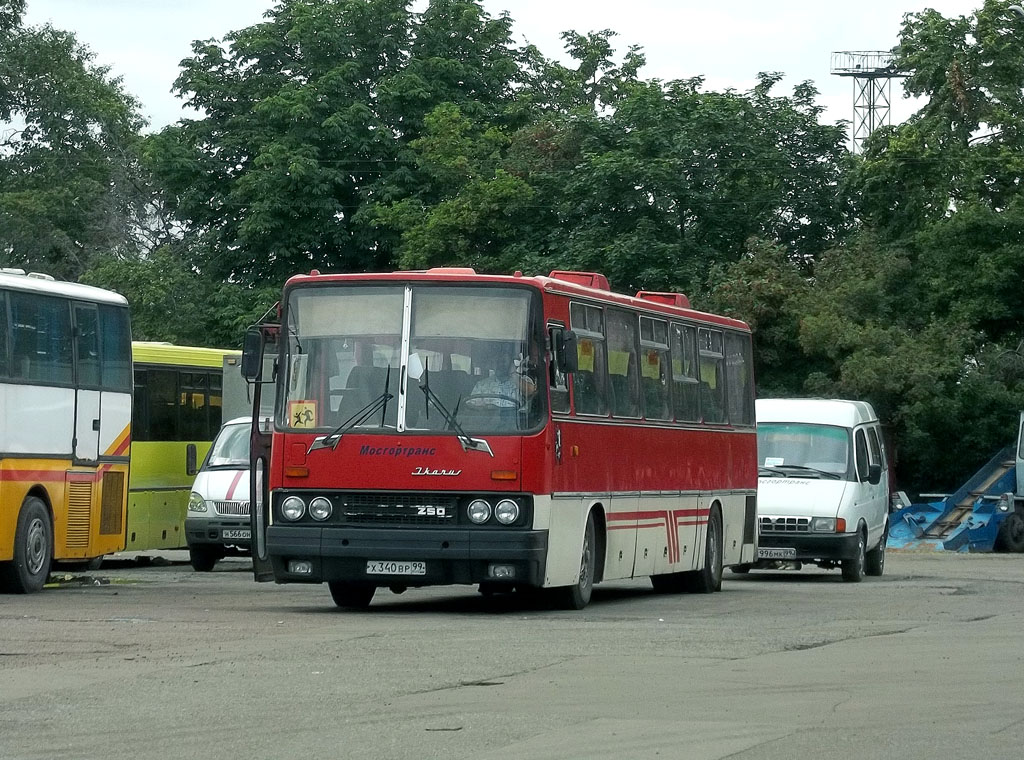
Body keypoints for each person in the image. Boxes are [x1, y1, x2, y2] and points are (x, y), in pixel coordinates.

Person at [466, 343, 537, 414]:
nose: (501, 365)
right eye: (498, 362)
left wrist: (513, 374)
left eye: (504, 362)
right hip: (488, 421)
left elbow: (530, 392)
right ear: (493, 364)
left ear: (511, 363)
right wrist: (485, 408)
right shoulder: (481, 384)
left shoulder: (523, 381)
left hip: (516, 421)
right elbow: (470, 406)